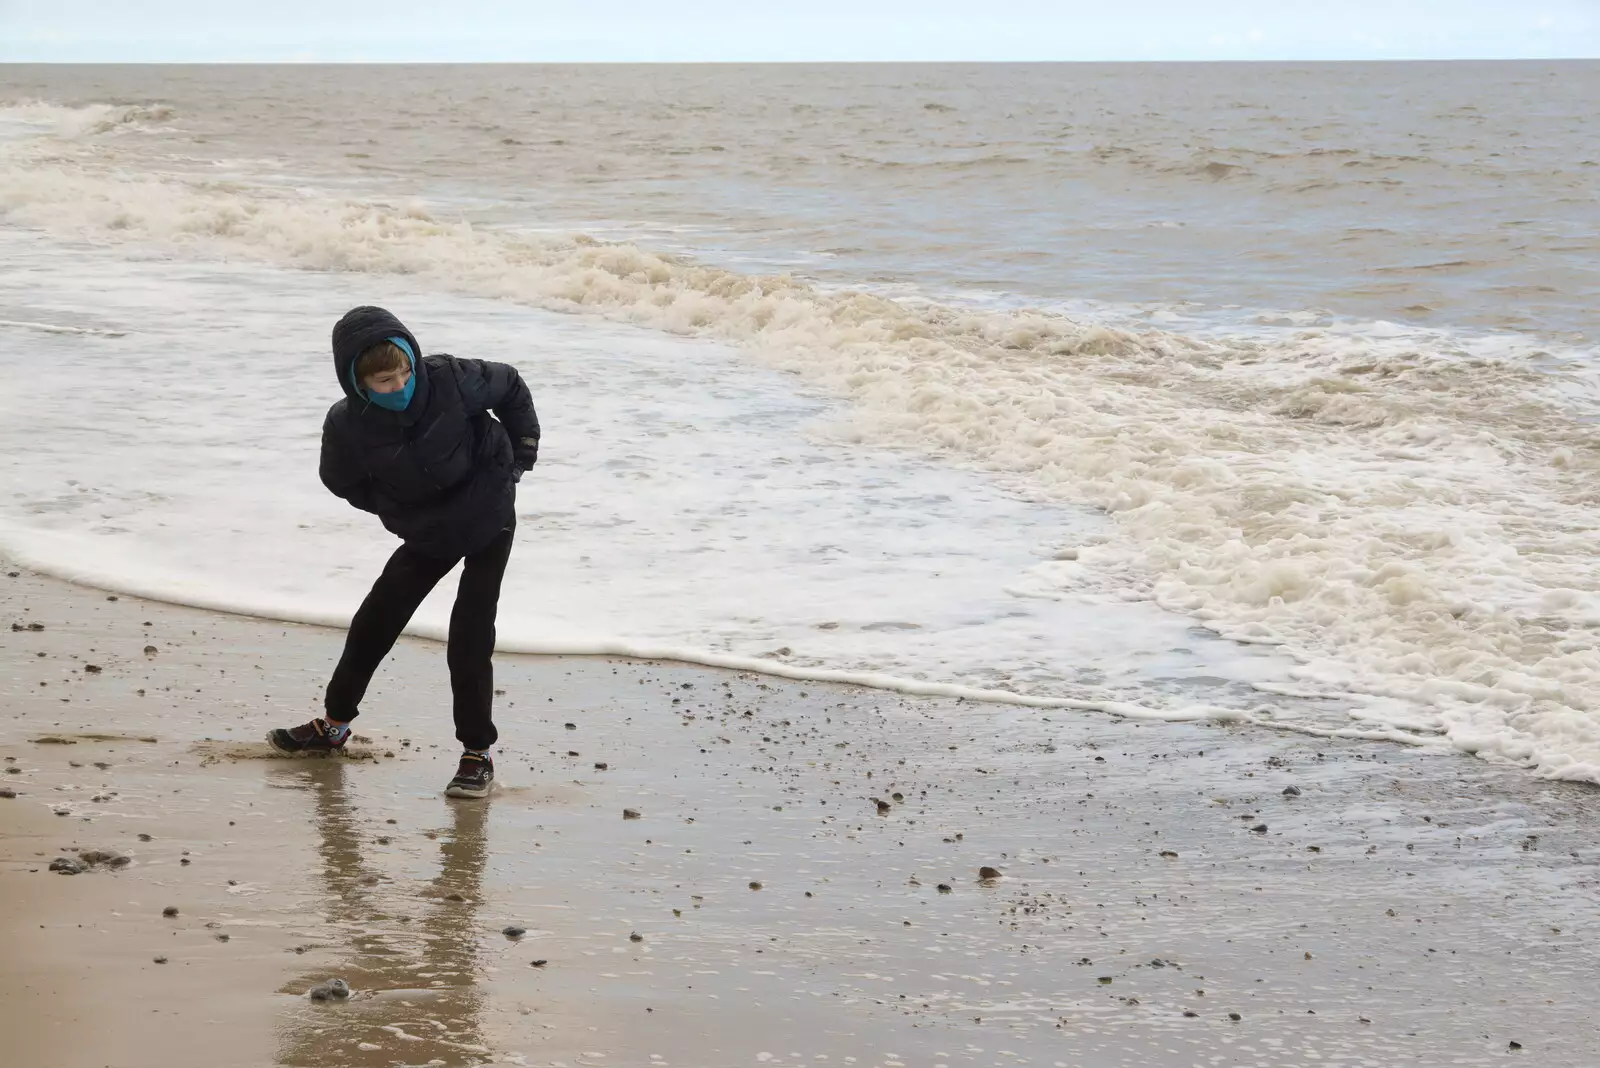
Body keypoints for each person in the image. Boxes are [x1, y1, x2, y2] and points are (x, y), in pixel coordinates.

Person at [268, 306, 539, 799]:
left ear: (414, 361)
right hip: (430, 526)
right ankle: (333, 728)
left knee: (470, 633)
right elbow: (340, 480)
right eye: (384, 381)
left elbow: (512, 387)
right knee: (375, 620)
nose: (400, 386)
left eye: (404, 373)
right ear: (358, 383)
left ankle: (477, 755)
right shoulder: (348, 424)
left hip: (488, 509)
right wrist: (399, 509)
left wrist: (521, 456)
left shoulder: (452, 379)